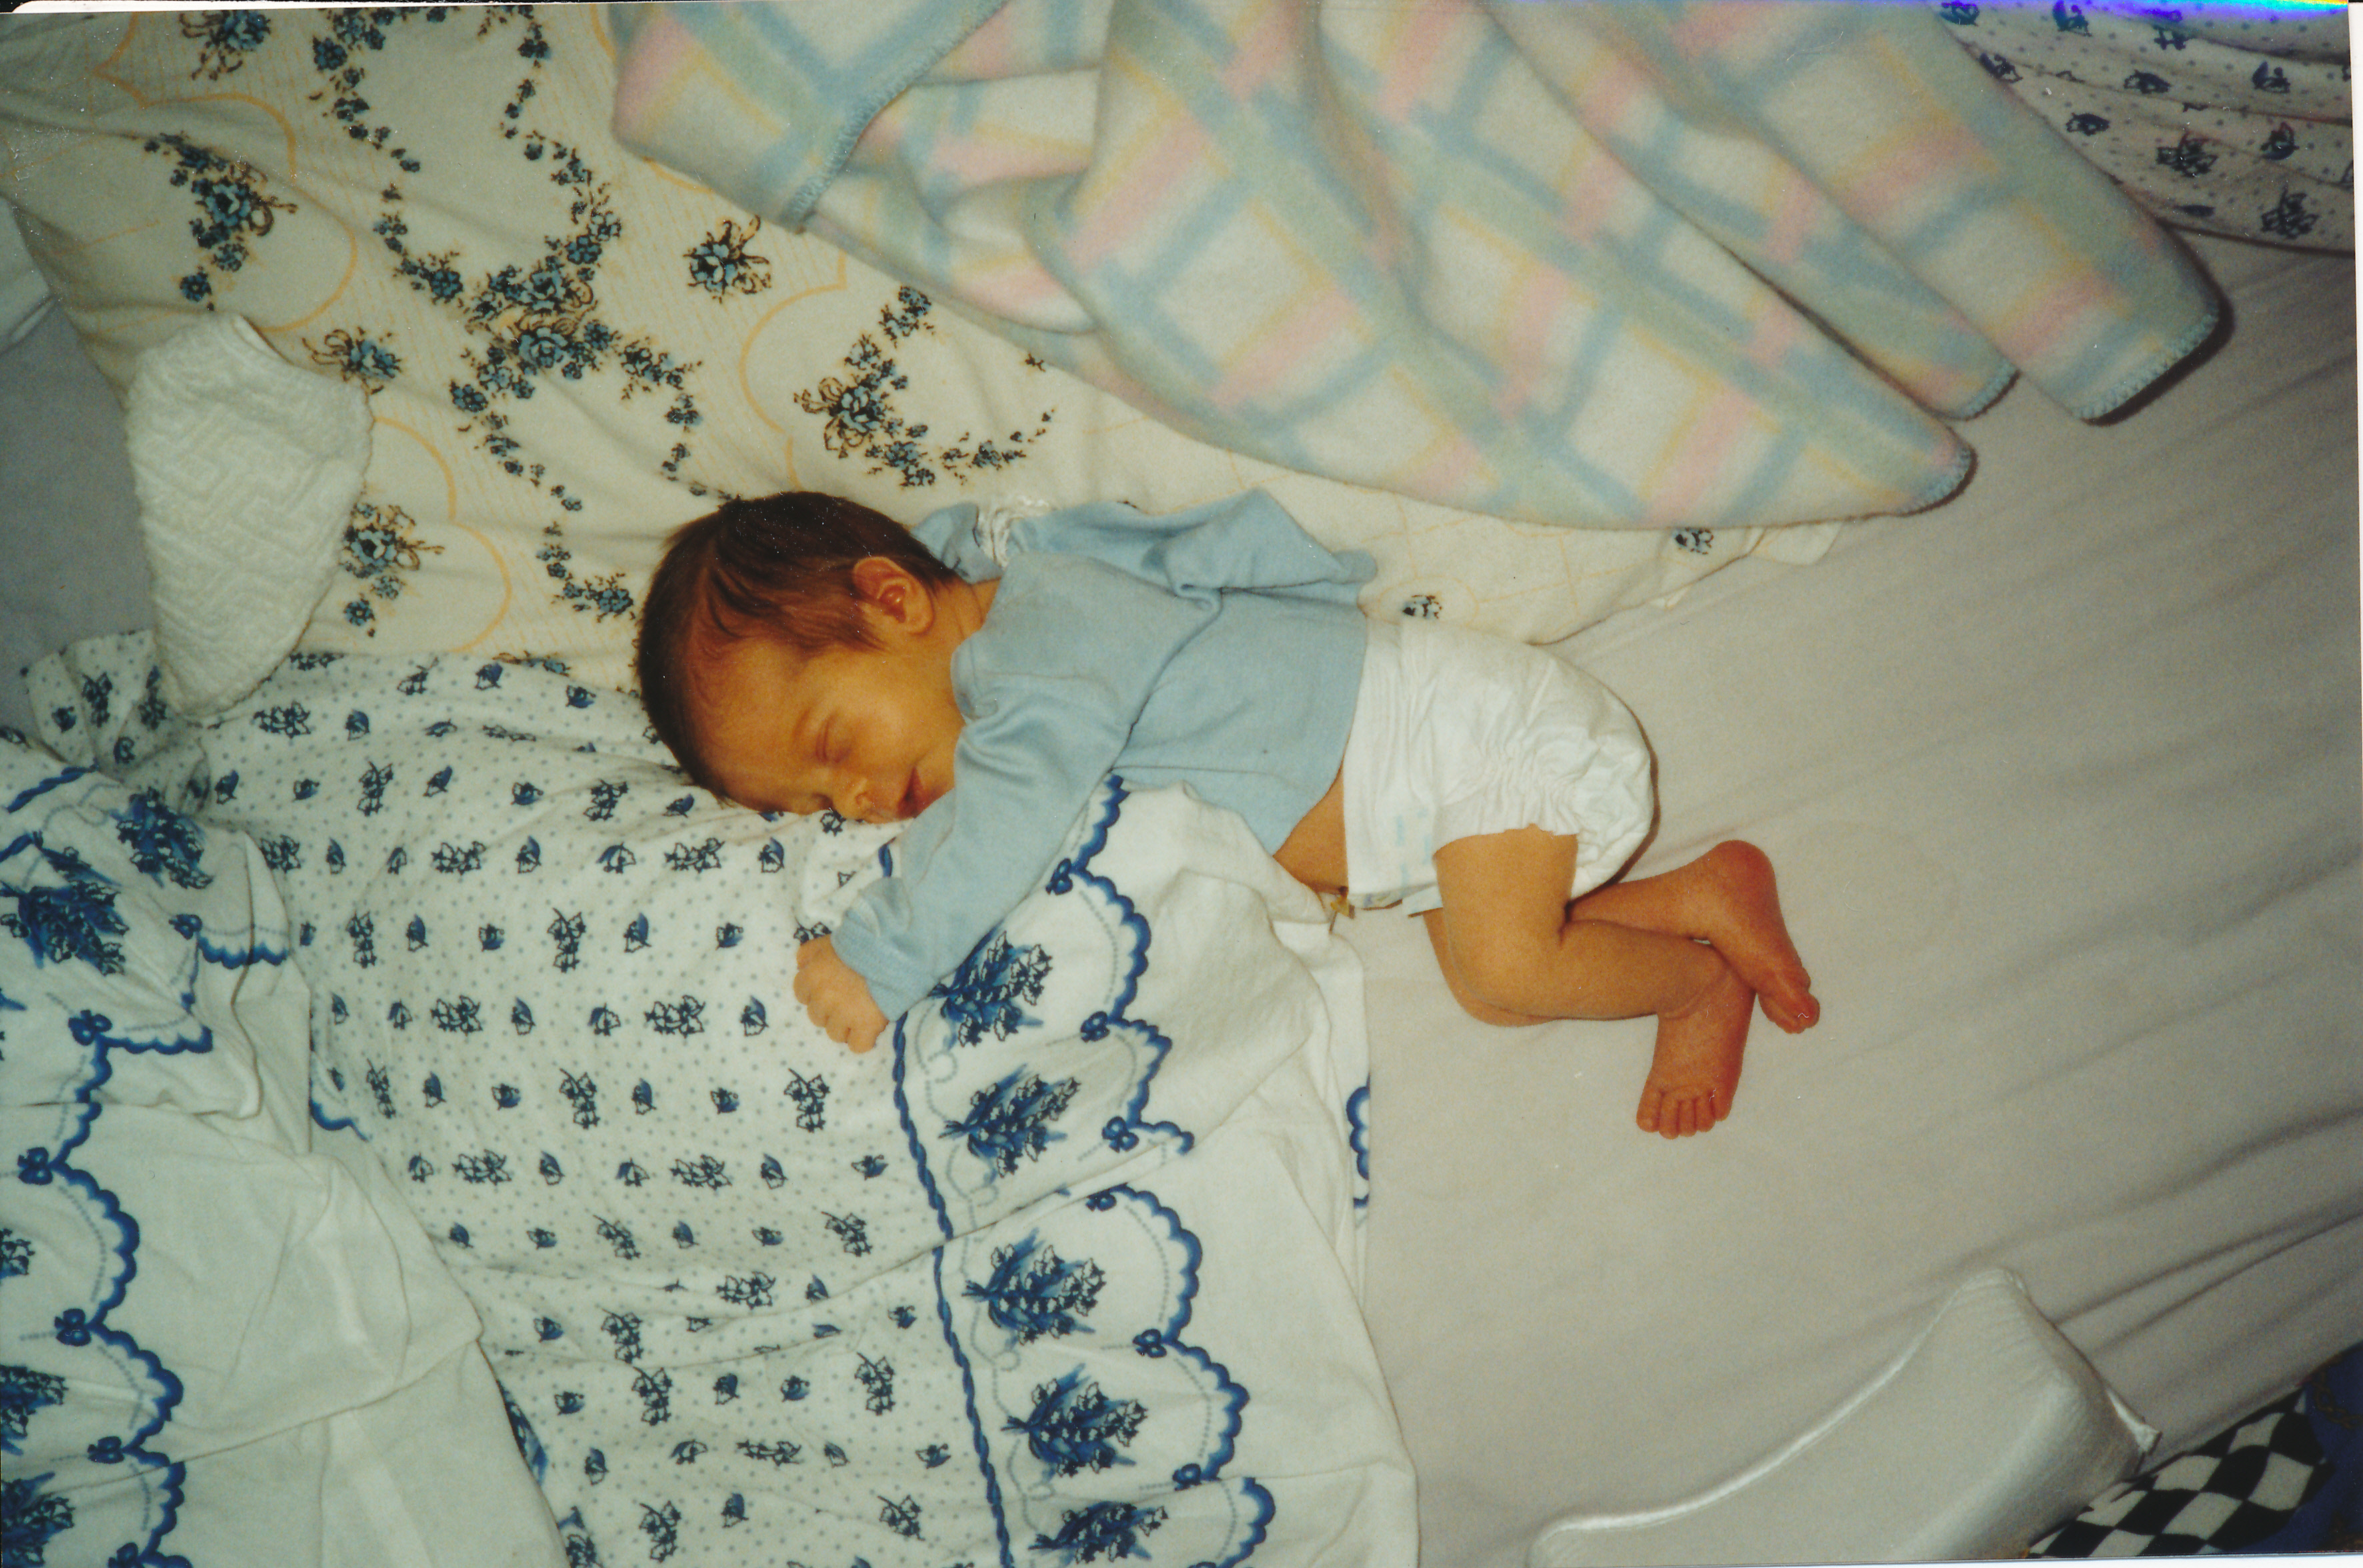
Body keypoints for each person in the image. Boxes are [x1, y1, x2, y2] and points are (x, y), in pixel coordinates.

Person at [634, 490, 1818, 1138]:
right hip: (1431, 816)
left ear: (894, 601)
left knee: (1512, 966)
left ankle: (1694, 984)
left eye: (832, 747)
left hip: (1470, 739)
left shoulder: (1038, 645)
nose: (851, 802)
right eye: (813, 804)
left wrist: (880, 955)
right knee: (1485, 984)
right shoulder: (1013, 649)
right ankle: (1701, 894)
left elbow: (1006, 815)